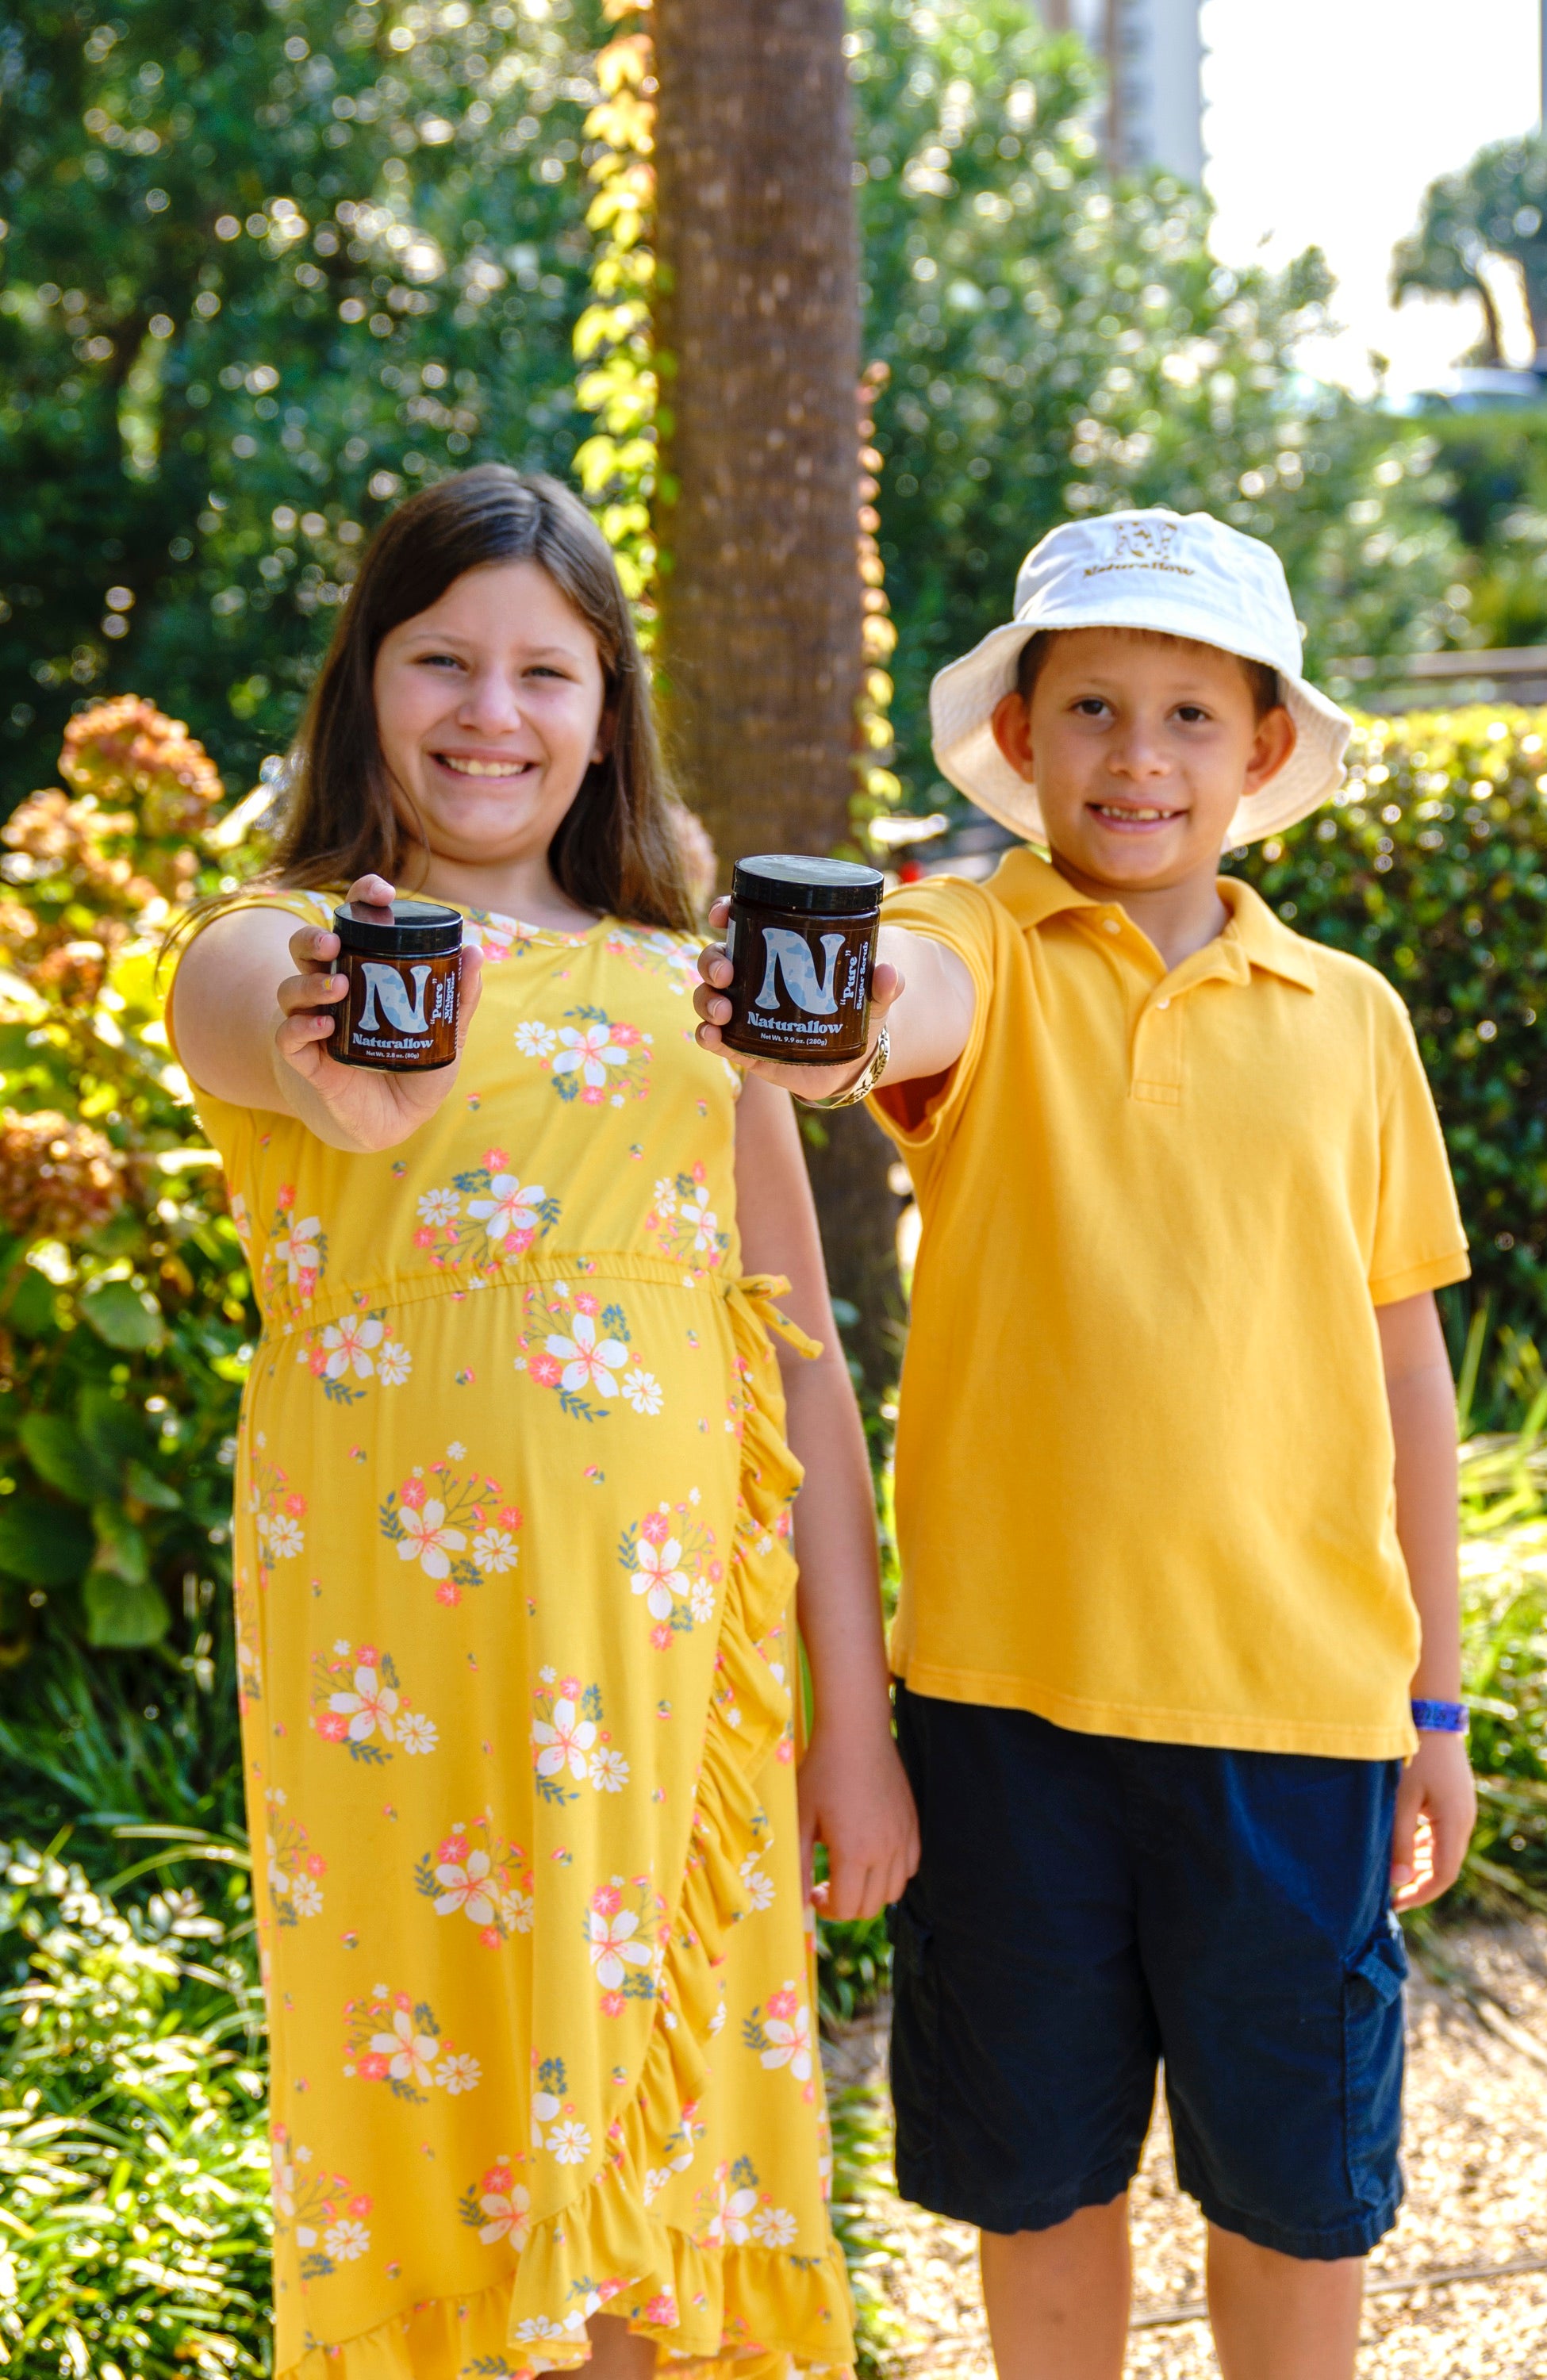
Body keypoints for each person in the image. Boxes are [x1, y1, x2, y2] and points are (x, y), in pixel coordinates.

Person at [694, 508, 1476, 2380]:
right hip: (1003, 1718)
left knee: (1293, 2195)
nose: (1138, 757)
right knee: (1037, 2189)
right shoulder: (974, 938)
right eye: (1095, 710)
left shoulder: (1348, 1022)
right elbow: (892, 1001)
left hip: (1292, 1719)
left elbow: (1406, 1382)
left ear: (1261, 748)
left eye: (1189, 716)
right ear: (1022, 741)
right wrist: (816, 1014)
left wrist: (1433, 1709)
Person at [168, 464, 917, 2380]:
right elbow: (295, 1044)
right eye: (441, 661)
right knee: (444, 2134)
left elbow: (800, 1385)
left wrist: (860, 1731)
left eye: (542, 673)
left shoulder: (701, 1002)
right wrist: (352, 1050)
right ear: (366, 684)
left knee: (656, 2203)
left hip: (676, 1689)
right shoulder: (260, 948)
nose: (488, 715)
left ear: (605, 718)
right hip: (396, 1692)